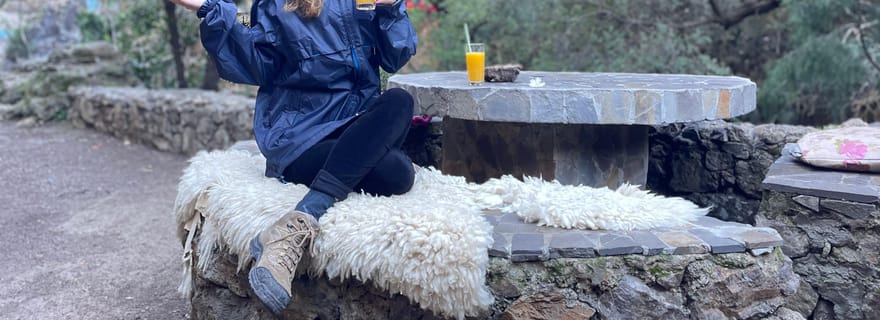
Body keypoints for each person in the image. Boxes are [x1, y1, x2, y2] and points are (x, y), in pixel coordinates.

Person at [168, 0, 418, 315]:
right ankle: (297, 229)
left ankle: (290, 226)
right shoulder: (281, 5)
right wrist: (211, 9)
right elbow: (252, 65)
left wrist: (392, 8)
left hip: (354, 124)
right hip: (302, 137)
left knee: (399, 105)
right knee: (395, 170)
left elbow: (396, 56)